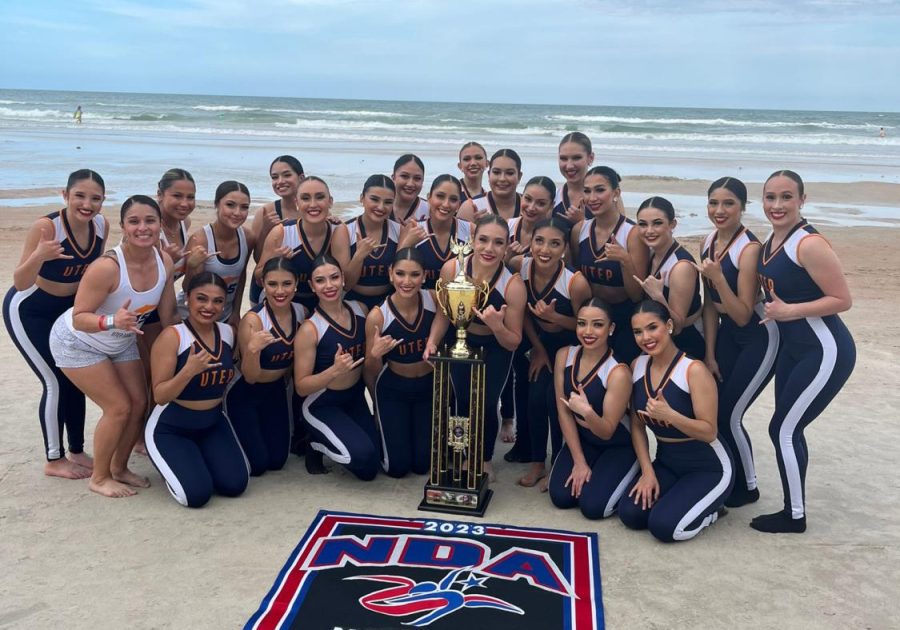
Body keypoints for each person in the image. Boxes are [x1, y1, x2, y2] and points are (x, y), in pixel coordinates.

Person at [49, 195, 178, 497]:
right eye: (134, 221)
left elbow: (169, 314)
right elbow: (80, 318)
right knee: (118, 407)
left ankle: (119, 468)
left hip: (121, 340)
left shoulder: (165, 260)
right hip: (78, 341)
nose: (142, 227)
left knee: (139, 404)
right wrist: (111, 322)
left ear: (160, 224)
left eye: (150, 220)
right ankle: (99, 477)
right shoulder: (107, 267)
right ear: (123, 226)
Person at [752, 170, 856, 534]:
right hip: (793, 350)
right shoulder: (771, 237)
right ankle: (792, 507)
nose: (777, 205)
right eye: (770, 197)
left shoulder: (808, 244)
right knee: (788, 428)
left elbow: (843, 300)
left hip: (824, 350)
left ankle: (794, 515)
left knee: (782, 428)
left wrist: (791, 311)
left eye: (786, 197)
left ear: (802, 200)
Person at [4, 169, 109, 479]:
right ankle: (54, 458)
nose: (87, 204)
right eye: (79, 195)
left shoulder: (101, 225)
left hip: (67, 311)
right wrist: (39, 254)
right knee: (53, 381)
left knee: (75, 377)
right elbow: (21, 282)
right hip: (29, 310)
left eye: (95, 198)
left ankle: (76, 450)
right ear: (65, 195)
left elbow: (92, 278)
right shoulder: (47, 227)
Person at [618, 300, 733, 542]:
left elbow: (709, 431)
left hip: (708, 466)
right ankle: (681, 498)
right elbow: (637, 426)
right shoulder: (637, 366)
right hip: (668, 462)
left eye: (652, 328)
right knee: (631, 514)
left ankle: (711, 512)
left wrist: (670, 415)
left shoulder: (693, 370)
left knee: (665, 528)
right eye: (638, 332)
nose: (645, 337)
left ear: (669, 326)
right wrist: (647, 472)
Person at [424, 214, 526, 479]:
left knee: (487, 401)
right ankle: (461, 452)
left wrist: (496, 326)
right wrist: (433, 341)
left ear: (506, 246)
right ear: (471, 240)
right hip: (461, 340)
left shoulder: (513, 285)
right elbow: (444, 314)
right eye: (483, 240)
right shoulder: (451, 269)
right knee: (462, 398)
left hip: (496, 346)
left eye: (498, 242)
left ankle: (484, 458)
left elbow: (514, 340)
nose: (489, 248)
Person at [697, 177, 778, 507]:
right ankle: (726, 475)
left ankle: (749, 486)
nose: (719, 210)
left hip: (758, 336)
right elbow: (708, 305)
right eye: (713, 203)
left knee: (730, 414)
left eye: (728, 203)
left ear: (743, 207)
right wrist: (710, 353)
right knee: (715, 411)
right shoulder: (708, 241)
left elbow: (743, 313)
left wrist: (718, 278)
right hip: (728, 334)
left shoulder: (749, 249)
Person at [145, 272, 250, 507]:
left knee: (234, 486)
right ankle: (176, 463)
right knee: (196, 496)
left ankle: (199, 457)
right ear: (187, 299)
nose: (209, 307)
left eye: (217, 301)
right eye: (201, 299)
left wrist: (252, 350)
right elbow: (160, 396)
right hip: (172, 427)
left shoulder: (228, 333)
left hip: (213, 423)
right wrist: (188, 371)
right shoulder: (172, 337)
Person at [511, 216, 591, 487]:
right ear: (530, 243)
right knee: (534, 399)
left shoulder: (575, 282)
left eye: (554, 244)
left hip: (571, 347)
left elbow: (586, 326)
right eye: (539, 241)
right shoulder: (520, 267)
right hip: (540, 344)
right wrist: (538, 349)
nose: (545, 249)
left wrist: (555, 318)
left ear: (565, 249)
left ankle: (558, 461)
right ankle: (537, 464)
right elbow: (521, 312)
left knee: (555, 402)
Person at [549, 299, 638, 518]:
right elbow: (563, 412)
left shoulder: (618, 372)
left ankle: (629, 472)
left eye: (597, 325)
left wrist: (587, 411)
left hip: (616, 445)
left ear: (611, 329)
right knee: (561, 497)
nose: (588, 332)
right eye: (582, 324)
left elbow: (607, 431)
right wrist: (579, 461)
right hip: (584, 441)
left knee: (593, 508)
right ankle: (591, 468)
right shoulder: (564, 355)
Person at [294, 254, 380, 480]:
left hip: (354, 399)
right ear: (312, 286)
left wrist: (377, 407)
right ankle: (314, 443)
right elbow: (301, 387)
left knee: (373, 466)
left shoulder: (360, 310)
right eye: (320, 281)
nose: (329, 285)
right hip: (321, 404)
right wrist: (334, 371)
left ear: (343, 279)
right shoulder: (310, 329)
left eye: (334, 277)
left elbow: (369, 369)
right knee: (360, 457)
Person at [225, 257, 306, 476]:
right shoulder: (253, 321)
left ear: (296, 284)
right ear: (262, 283)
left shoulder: (300, 312)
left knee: (278, 461)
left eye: (287, 284)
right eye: (273, 284)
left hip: (276, 392)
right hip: (245, 393)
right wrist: (251, 350)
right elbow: (250, 376)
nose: (280, 291)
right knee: (258, 466)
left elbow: (294, 365)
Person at [364, 248, 436, 477]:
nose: (407, 281)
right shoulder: (378, 315)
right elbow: (370, 370)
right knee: (397, 468)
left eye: (414, 275)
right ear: (390, 274)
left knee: (422, 465)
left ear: (424, 275)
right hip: (393, 389)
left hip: (428, 387)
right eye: (401, 274)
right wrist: (375, 355)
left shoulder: (434, 299)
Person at [573, 166, 646, 364]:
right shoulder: (579, 230)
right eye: (587, 191)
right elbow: (572, 277)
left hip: (624, 318)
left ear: (616, 193)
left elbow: (637, 295)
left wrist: (625, 260)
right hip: (591, 319)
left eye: (600, 190)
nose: (592, 197)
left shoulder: (632, 234)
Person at [257, 176, 353, 313]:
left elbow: (346, 283)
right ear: (297, 202)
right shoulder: (282, 232)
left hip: (324, 301)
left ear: (330, 202)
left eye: (320, 197)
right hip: (284, 302)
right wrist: (275, 259)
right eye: (305, 198)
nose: (313, 204)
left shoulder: (338, 230)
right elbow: (257, 275)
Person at [633, 196, 705, 360]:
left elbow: (678, 326)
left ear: (672, 225)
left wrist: (658, 296)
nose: (649, 230)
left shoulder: (681, 267)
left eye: (657, 223)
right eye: (643, 224)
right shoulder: (651, 253)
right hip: (657, 338)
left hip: (687, 342)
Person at [179, 181, 254, 328]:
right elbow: (188, 288)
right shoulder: (201, 240)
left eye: (244, 207)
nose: (237, 212)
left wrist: (236, 312)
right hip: (193, 315)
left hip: (225, 314)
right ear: (217, 205)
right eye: (230, 205)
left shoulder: (248, 237)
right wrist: (192, 267)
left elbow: (241, 277)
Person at [248, 155, 305, 306]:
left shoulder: (314, 211)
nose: (280, 181)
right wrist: (265, 231)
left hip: (305, 288)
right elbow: (258, 260)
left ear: (301, 177)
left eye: (287, 175)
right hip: (270, 290)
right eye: (274, 177)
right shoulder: (266, 212)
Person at [345, 174, 402, 309]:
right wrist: (358, 256)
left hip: (388, 301)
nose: (381, 207)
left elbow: (401, 277)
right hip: (353, 301)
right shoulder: (345, 231)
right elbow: (346, 284)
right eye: (374, 199)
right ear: (362, 198)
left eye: (388, 202)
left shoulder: (399, 231)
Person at [410, 175, 471, 290]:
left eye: (453, 199)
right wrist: (408, 242)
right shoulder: (413, 229)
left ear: (458, 205)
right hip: (422, 302)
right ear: (429, 198)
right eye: (440, 196)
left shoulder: (470, 229)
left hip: (460, 303)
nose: (446, 204)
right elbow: (395, 273)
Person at [458, 149, 523, 223]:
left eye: (509, 173)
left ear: (519, 176)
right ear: (489, 175)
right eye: (496, 172)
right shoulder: (471, 207)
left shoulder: (529, 206)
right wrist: (475, 230)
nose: (502, 179)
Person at [554, 132, 594, 224]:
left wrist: (582, 223)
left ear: (590, 158)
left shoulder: (606, 196)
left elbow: (620, 233)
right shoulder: (553, 197)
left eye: (576, 158)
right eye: (563, 158)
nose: (569, 166)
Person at [391, 154, 430, 223]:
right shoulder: (380, 207)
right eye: (404, 176)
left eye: (417, 178)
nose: (410, 184)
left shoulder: (431, 211)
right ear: (393, 178)